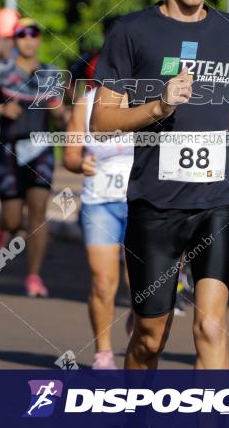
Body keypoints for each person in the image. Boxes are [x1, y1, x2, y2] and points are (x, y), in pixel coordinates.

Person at [91, 0, 229, 369]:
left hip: (214, 200)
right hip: (155, 201)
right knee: (150, 337)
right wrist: (159, 106)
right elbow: (100, 123)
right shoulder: (132, 31)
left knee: (210, 326)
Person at [0, 17, 67, 298]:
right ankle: (1, 226)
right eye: (23, 34)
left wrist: (61, 113)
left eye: (34, 34)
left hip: (41, 149)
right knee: (12, 219)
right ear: (15, 39)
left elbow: (60, 113)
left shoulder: (50, 73)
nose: (29, 39)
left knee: (37, 213)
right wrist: (1, 110)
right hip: (8, 149)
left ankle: (33, 276)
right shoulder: (0, 70)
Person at [63, 83, 133, 369]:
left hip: (142, 204)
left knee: (144, 284)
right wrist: (81, 164)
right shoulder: (87, 102)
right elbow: (70, 155)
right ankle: (103, 353)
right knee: (103, 284)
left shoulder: (151, 96)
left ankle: (138, 317)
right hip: (100, 202)